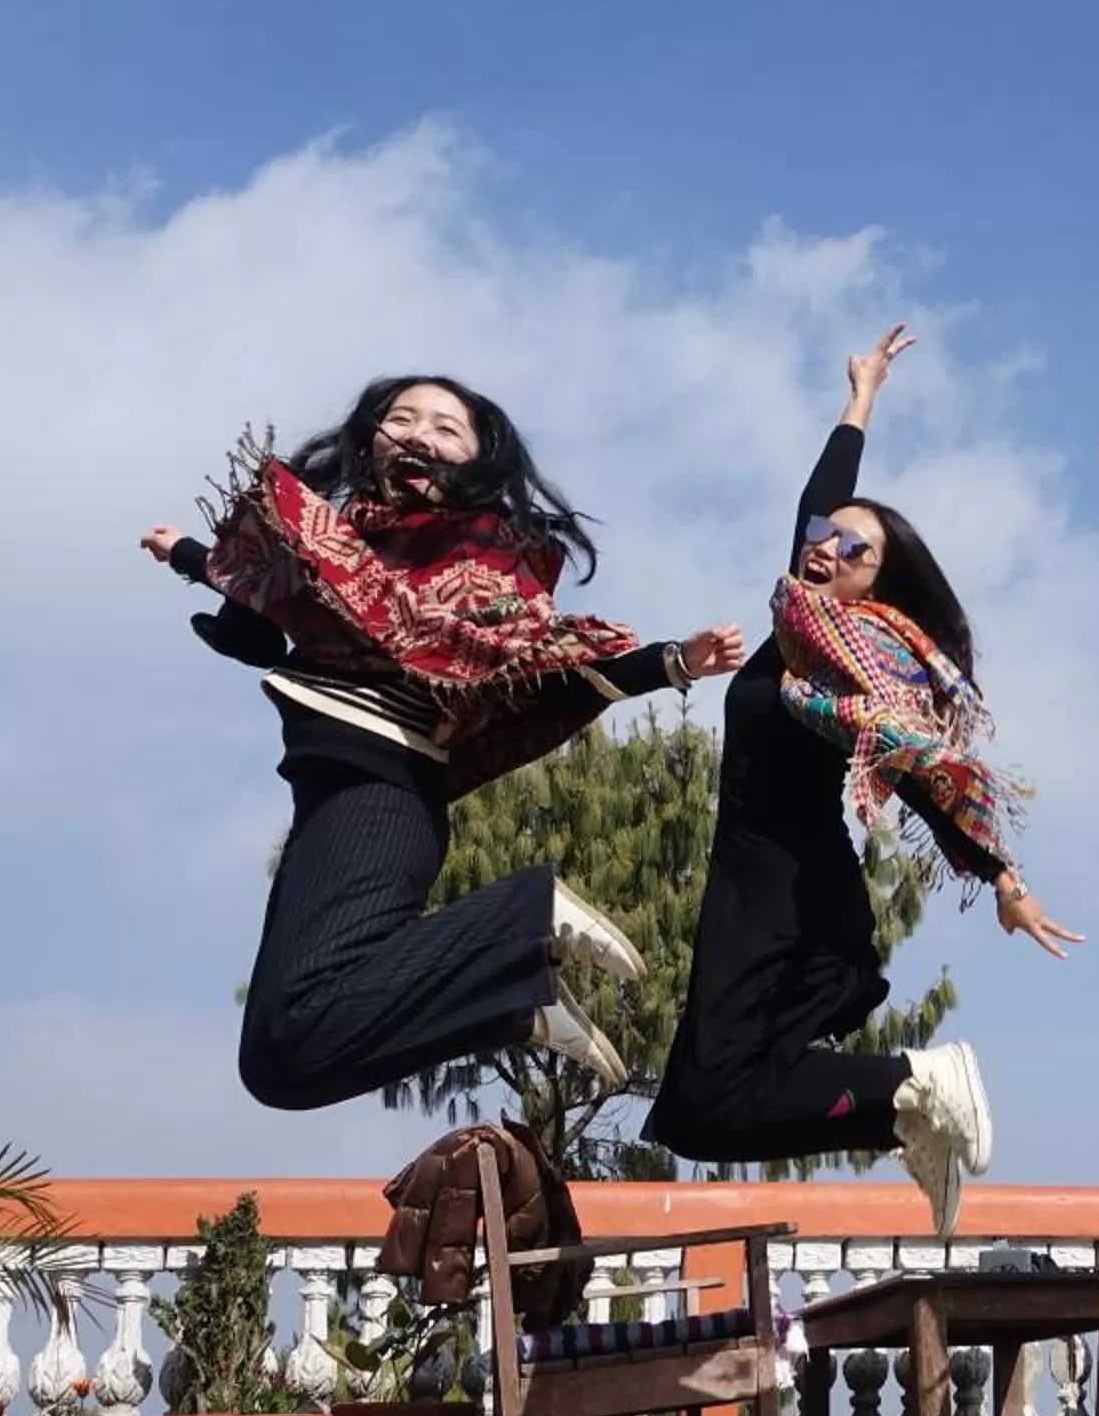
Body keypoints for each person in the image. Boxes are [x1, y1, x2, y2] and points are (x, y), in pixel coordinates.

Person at [139, 375, 746, 1112]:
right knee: (277, 1059)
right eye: (401, 419)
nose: (420, 434)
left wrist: (674, 662)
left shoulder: (487, 558)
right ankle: (508, 1002)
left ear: (479, 460)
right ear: (369, 441)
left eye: (445, 427)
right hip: (327, 789)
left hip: (383, 791)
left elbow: (548, 664)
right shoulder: (343, 546)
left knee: (296, 1034)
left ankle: (521, 919)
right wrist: (190, 555)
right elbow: (286, 590)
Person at [644, 326, 1081, 1233]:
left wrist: (1003, 878)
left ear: (882, 586)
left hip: (794, 897)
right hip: (750, 888)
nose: (829, 548)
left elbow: (923, 773)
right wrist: (862, 395)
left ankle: (921, 1081)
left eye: (856, 551)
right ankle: (897, 1112)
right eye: (825, 538)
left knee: (718, 1095)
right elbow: (819, 497)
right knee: (695, 1111)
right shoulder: (793, 629)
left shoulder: (867, 661)